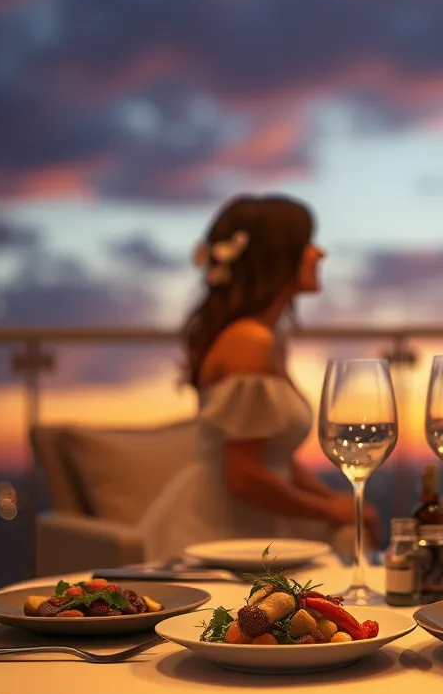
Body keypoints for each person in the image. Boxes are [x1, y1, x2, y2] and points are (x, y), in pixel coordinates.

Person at [139, 195, 379, 561]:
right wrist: (330, 511)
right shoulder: (249, 343)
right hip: (220, 533)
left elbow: (273, 456)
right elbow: (244, 477)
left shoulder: (268, 338)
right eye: (306, 243)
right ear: (276, 258)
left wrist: (338, 500)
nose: (319, 253)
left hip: (252, 526)